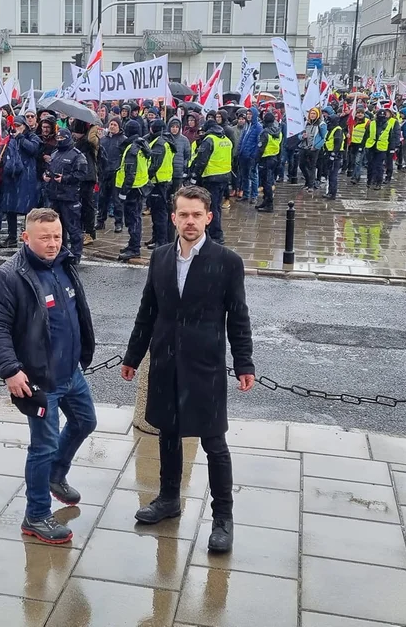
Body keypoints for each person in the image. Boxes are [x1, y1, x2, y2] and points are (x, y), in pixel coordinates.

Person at [119, 186, 255, 554]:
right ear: (174, 217)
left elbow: (238, 318)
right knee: (167, 433)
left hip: (204, 365)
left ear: (208, 217)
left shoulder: (226, 261)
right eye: (184, 214)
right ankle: (167, 499)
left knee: (214, 442)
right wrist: (133, 356)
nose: (190, 221)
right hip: (164, 361)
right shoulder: (161, 257)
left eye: (197, 214)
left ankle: (222, 518)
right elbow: (148, 310)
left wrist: (244, 362)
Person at [0, 207, 97, 545]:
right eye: (44, 237)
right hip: (38, 381)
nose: (52, 243)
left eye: (57, 236)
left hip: (71, 373)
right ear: (26, 237)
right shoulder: (8, 276)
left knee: (85, 421)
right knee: (43, 446)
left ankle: (56, 475)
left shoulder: (65, 264)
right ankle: (36, 515)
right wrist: (10, 371)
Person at [186, 117, 233, 244]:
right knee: (216, 206)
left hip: (212, 177)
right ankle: (214, 232)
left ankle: (216, 235)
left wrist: (195, 176)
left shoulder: (209, 140)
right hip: (224, 176)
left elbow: (202, 160)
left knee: (212, 207)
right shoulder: (226, 140)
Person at [44, 130, 88, 261]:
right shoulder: (55, 153)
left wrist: (65, 178)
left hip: (69, 197)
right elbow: (49, 168)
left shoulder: (77, 155)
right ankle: (61, 251)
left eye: (62, 137)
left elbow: (82, 174)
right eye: (58, 137)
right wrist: (46, 176)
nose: (59, 139)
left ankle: (76, 254)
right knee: (57, 228)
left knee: (73, 228)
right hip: (54, 196)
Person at [0, 118, 41, 246]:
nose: (15, 128)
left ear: (24, 126)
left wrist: (21, 138)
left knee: (28, 207)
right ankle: (11, 237)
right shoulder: (9, 137)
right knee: (10, 207)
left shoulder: (32, 136)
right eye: (14, 125)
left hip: (26, 177)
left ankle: (30, 235)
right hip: (11, 176)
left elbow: (33, 149)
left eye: (18, 125)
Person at [115, 121, 149, 261]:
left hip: (132, 189)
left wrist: (123, 191)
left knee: (133, 219)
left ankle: (134, 248)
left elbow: (130, 172)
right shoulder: (142, 144)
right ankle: (132, 245)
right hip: (140, 186)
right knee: (136, 218)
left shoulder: (132, 148)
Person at [145, 119, 175, 248]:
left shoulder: (159, 143)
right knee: (158, 212)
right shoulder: (166, 141)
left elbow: (154, 164)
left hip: (158, 181)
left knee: (159, 213)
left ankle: (160, 241)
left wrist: (147, 177)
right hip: (164, 179)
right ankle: (156, 237)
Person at [96, 118, 125, 233]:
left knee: (117, 200)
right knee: (102, 199)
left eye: (115, 125)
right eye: (111, 124)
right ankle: (100, 221)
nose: (112, 126)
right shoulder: (103, 140)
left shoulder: (123, 140)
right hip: (104, 173)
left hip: (116, 173)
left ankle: (118, 223)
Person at [365, 106, 398, 189]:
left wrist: (392, 149)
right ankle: (370, 180)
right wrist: (363, 146)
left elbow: (391, 138)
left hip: (382, 148)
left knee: (379, 166)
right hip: (371, 146)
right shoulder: (371, 123)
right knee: (370, 165)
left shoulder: (389, 126)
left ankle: (378, 183)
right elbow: (366, 135)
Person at [255, 113, 281, 212]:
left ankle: (269, 204)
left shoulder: (265, 132)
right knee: (268, 182)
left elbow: (260, 148)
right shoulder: (279, 131)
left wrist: (256, 160)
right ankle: (266, 201)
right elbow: (280, 146)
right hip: (274, 158)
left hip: (265, 159)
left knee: (266, 183)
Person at [322, 114, 346, 199]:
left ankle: (332, 193)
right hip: (328, 153)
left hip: (335, 155)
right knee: (329, 174)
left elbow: (338, 143)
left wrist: (333, 154)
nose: (327, 121)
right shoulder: (330, 129)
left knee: (333, 175)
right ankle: (330, 191)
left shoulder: (337, 130)